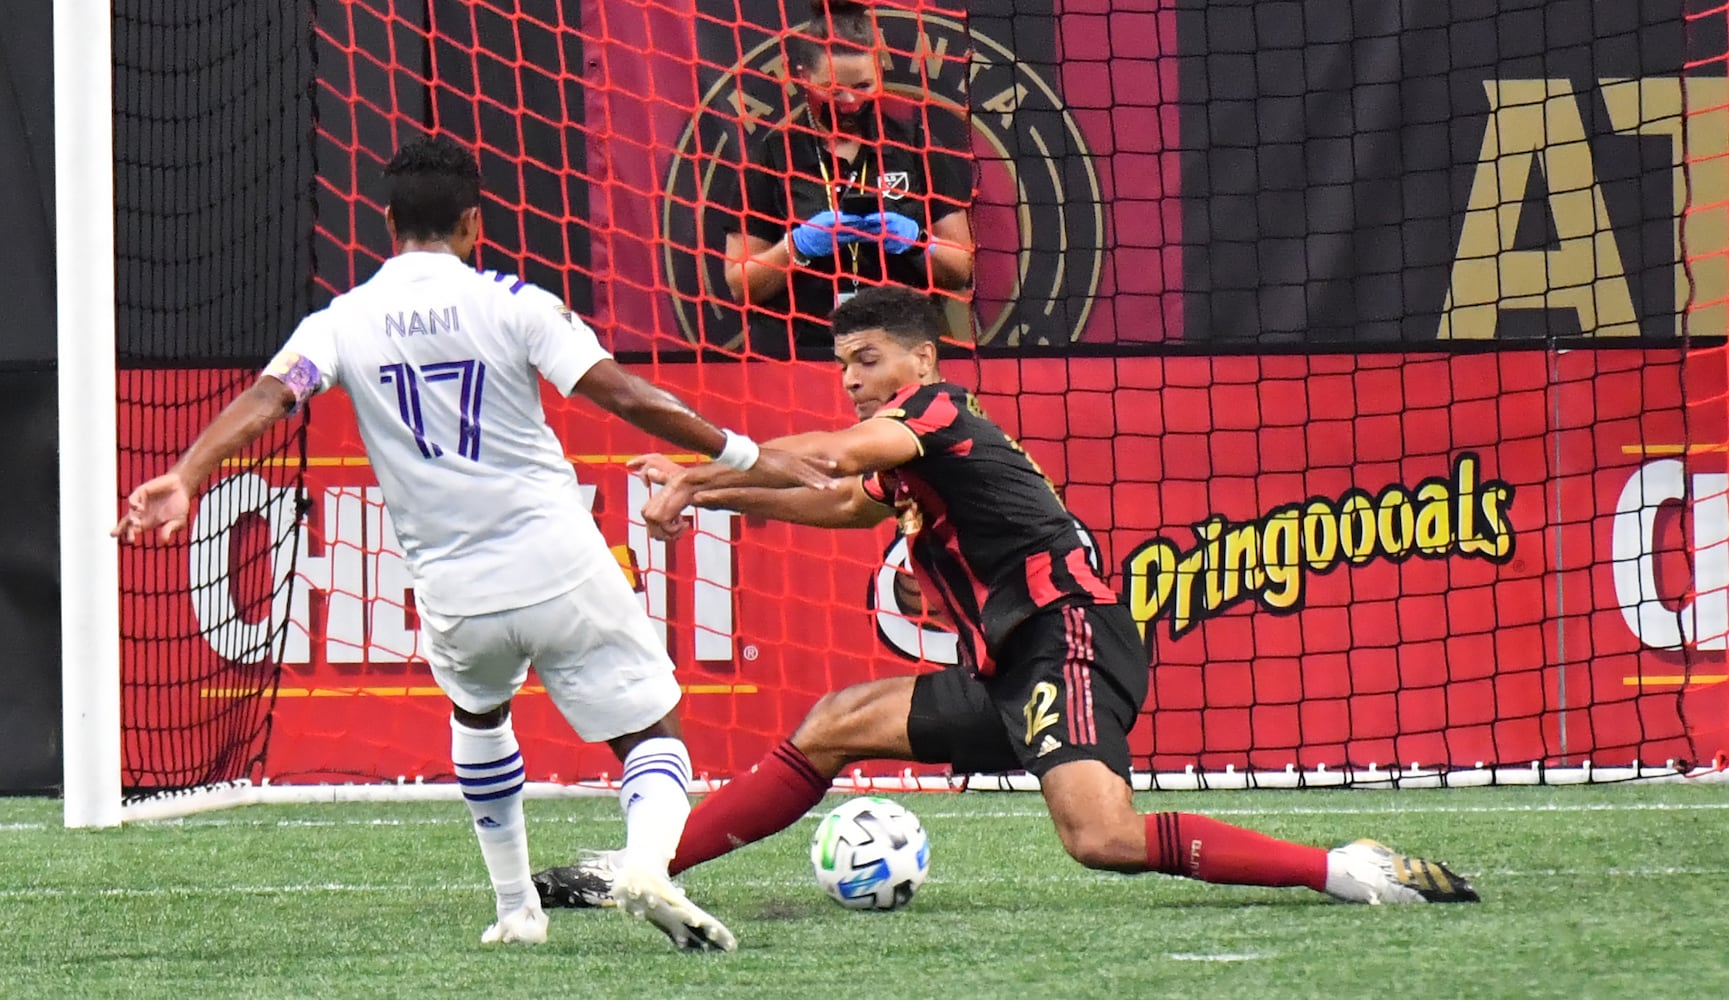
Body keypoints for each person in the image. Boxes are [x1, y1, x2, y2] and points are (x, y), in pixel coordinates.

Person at [111, 135, 839, 951]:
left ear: (386, 221)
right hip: (557, 561)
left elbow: (273, 394)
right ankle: (644, 861)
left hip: (454, 587)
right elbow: (624, 394)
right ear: (473, 223)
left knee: (479, 716)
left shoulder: (341, 322)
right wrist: (739, 453)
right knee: (651, 731)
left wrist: (186, 473)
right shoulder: (515, 303)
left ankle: (514, 910)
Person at [533, 285, 1480, 910]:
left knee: (1100, 839)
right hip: (1010, 659)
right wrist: (708, 490)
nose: (852, 379)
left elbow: (829, 458)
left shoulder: (935, 416)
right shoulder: (909, 448)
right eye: (842, 366)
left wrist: (698, 471)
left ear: (921, 361)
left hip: (1064, 637)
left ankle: (1350, 872)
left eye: (865, 360)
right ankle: (641, 869)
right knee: (832, 722)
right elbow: (833, 502)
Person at [722, 0, 974, 358]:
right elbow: (740, 284)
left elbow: (961, 269)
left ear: (880, 73)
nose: (850, 100)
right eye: (834, 88)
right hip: (802, 350)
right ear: (802, 77)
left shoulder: (915, 145)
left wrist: (915, 242)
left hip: (901, 348)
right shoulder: (774, 155)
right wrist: (797, 247)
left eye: (864, 85)